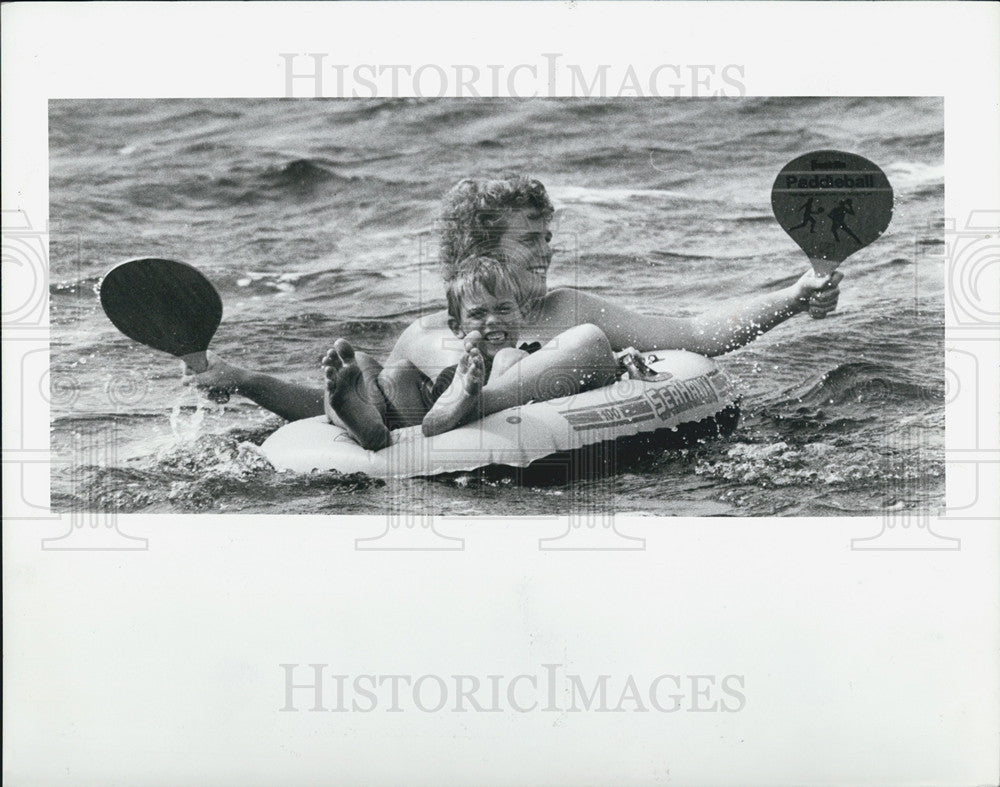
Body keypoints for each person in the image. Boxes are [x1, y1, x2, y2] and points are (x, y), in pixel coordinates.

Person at [189, 175, 842, 446]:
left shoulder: (568, 310)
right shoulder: (432, 329)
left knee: (586, 343)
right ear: (481, 252)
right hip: (407, 419)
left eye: (549, 238)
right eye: (531, 240)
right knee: (361, 368)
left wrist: (793, 296)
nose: (548, 252)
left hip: (471, 405)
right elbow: (321, 415)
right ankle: (427, 401)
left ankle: (468, 394)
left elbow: (696, 332)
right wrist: (249, 382)